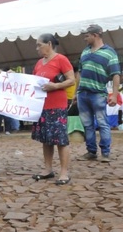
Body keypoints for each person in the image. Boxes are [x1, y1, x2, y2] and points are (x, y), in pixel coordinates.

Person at [31, 33, 75, 185]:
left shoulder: (61, 59)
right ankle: (48, 169)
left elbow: (71, 80)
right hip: (42, 106)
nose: (37, 48)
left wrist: (55, 86)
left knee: (61, 140)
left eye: (39, 45)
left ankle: (64, 172)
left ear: (49, 44)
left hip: (57, 105)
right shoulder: (39, 63)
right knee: (46, 139)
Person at [76, 24, 121, 162]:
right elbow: (79, 72)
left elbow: (116, 74)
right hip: (82, 93)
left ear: (95, 35)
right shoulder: (85, 51)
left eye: (87, 36)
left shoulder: (109, 52)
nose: (85, 38)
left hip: (98, 94)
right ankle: (91, 151)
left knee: (103, 123)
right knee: (87, 124)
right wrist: (76, 92)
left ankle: (105, 153)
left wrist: (114, 95)